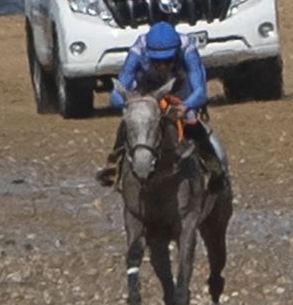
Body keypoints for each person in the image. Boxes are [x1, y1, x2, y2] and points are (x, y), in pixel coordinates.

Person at [97, 21, 228, 189]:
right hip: (146, 93)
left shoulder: (188, 49)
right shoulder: (137, 51)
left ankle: (213, 166)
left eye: (167, 60)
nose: (162, 66)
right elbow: (116, 93)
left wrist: (186, 106)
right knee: (133, 121)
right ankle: (113, 166)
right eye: (157, 61)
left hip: (179, 90)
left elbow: (200, 91)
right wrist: (133, 104)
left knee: (191, 121)